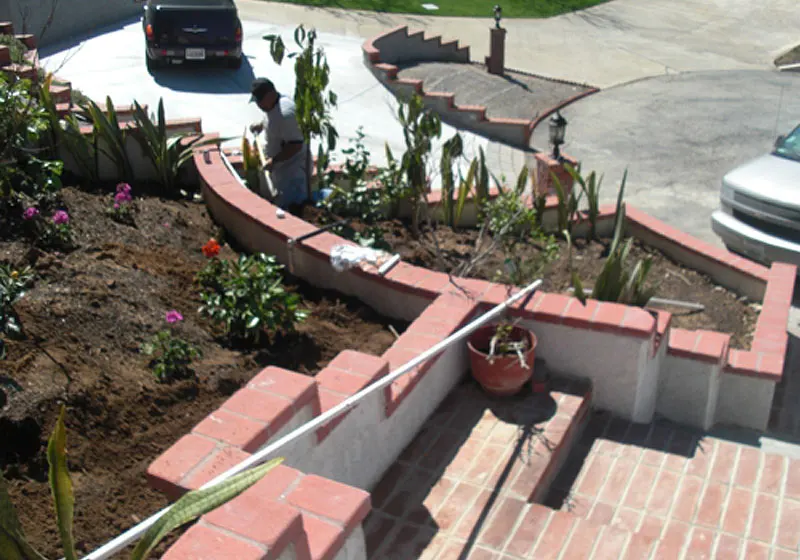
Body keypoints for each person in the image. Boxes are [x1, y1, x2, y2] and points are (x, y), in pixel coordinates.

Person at [248, 78, 308, 210]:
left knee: (291, 209)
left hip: (291, 173)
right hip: (279, 170)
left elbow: (295, 145)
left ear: (270, 95)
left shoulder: (285, 115)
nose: (258, 105)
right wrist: (262, 125)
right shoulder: (274, 105)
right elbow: (273, 119)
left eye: (259, 101)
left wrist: (274, 161)